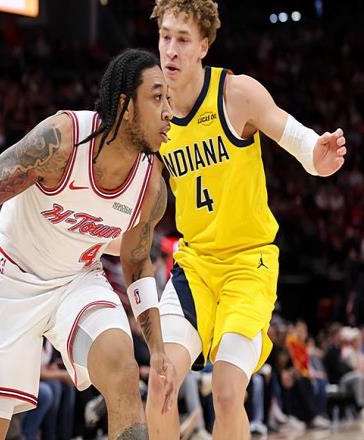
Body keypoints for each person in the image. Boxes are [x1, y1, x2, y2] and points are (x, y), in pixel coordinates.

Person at [0, 48, 176, 440]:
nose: (169, 111)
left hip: (77, 282)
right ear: (125, 105)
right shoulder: (62, 141)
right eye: (157, 98)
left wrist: (157, 346)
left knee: (123, 370)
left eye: (169, 99)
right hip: (13, 282)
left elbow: (137, 261)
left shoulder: (152, 185)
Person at [147, 1, 348, 439]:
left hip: (247, 265)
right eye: (165, 37)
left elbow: (296, 138)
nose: (171, 50)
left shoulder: (235, 93)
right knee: (161, 380)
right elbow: (139, 194)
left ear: (204, 45)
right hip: (195, 266)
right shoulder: (152, 110)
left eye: (183, 40)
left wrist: (317, 156)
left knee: (225, 390)